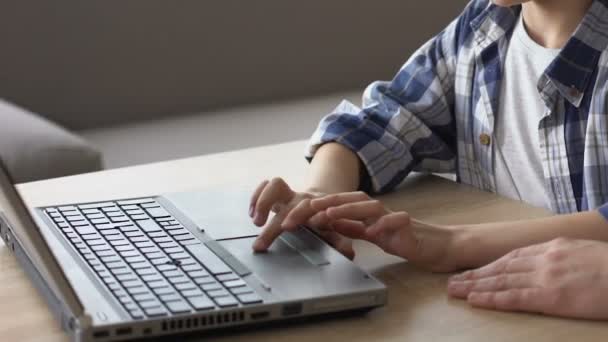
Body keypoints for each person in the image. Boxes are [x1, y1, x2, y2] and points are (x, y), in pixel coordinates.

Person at [249, 0, 608, 320]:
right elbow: (382, 119)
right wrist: (320, 197)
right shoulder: (483, 26)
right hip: (496, 313)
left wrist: (453, 244)